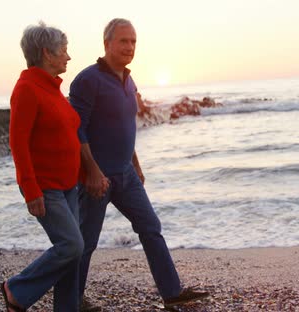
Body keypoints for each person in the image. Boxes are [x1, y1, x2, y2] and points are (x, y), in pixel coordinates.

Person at [69, 18, 209, 311]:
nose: (130, 47)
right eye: (123, 41)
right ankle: (72, 299)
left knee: (150, 227)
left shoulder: (129, 80)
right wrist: (92, 171)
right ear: (107, 44)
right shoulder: (87, 80)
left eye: (133, 41)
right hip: (97, 176)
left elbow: (126, 127)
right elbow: (76, 129)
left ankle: (171, 293)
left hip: (126, 173)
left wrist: (136, 164)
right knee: (86, 242)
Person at [0, 22, 84, 312]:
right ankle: (17, 289)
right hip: (46, 187)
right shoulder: (26, 89)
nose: (68, 57)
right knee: (71, 246)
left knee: (73, 254)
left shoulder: (53, 90)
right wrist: (30, 188)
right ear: (48, 54)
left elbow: (67, 135)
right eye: (64, 51)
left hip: (69, 186)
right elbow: (18, 143)